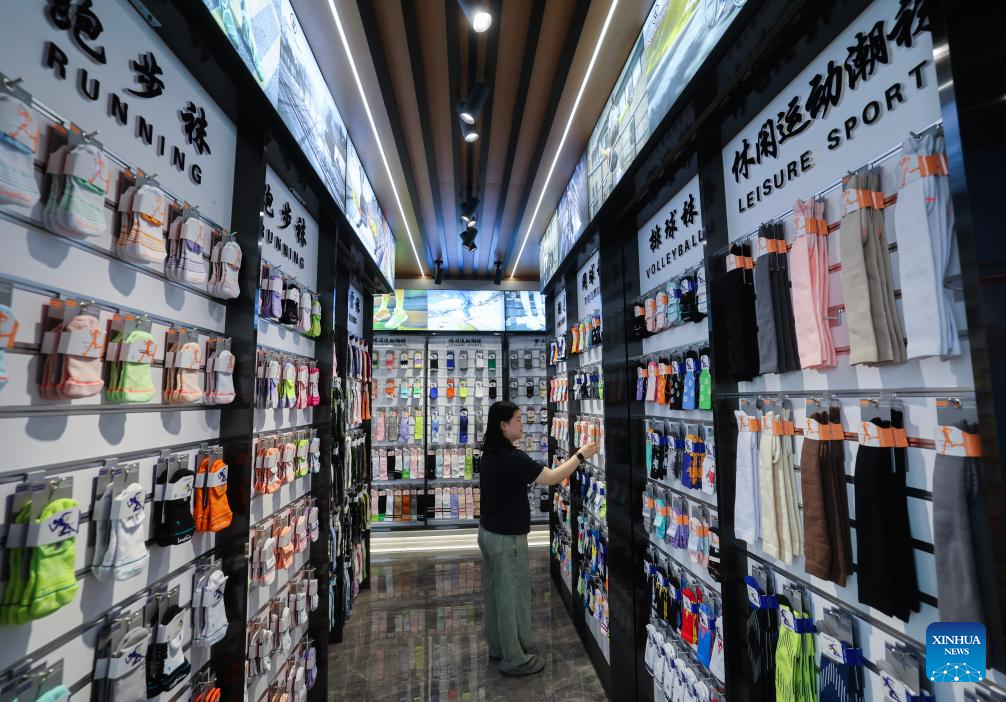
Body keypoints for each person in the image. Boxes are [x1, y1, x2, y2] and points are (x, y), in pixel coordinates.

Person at [477, 400, 599, 675]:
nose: (523, 424)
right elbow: (554, 476)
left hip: (488, 533)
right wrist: (580, 456)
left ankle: (498, 646)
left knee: (495, 594)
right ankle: (515, 658)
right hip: (507, 539)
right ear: (503, 425)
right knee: (512, 596)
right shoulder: (513, 458)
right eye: (518, 419)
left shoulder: (490, 453)